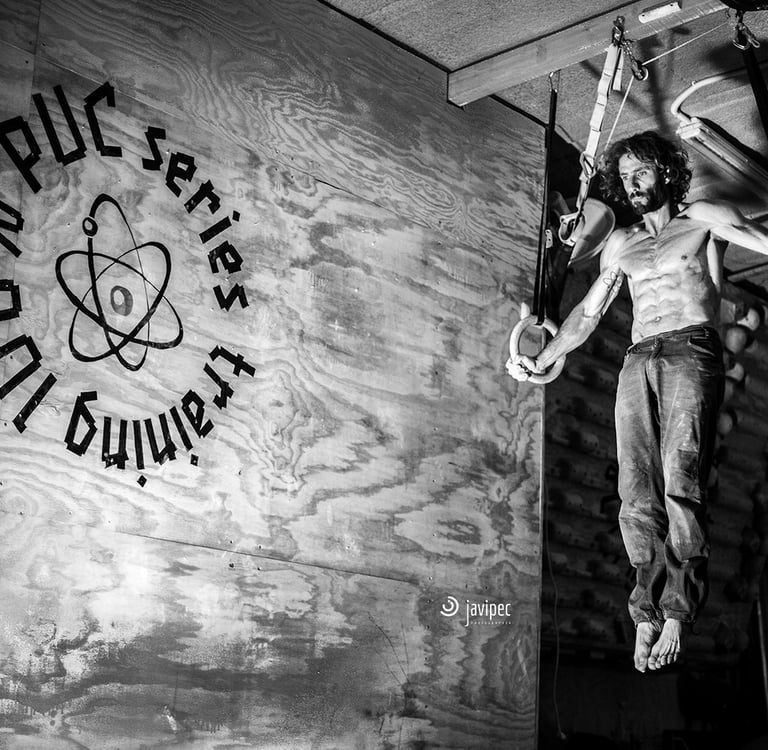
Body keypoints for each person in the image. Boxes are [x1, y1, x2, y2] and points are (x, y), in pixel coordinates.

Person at [507, 131, 768, 673]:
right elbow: (587, 313)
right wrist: (543, 357)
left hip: (691, 348)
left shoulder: (701, 218)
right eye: (625, 177)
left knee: (681, 479)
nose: (632, 185)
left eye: (641, 172)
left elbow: (760, 238)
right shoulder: (622, 244)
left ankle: (677, 610)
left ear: (666, 172)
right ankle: (645, 611)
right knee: (635, 490)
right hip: (638, 357)